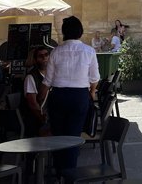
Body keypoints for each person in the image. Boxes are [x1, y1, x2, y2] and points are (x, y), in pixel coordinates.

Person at [39, 16, 99, 174]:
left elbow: (47, 81)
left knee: (58, 135)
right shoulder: (89, 51)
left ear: (64, 33)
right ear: (80, 32)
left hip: (58, 96)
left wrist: (40, 100)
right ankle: (69, 173)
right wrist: (91, 93)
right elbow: (94, 78)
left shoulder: (56, 52)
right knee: (73, 136)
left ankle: (59, 170)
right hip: (79, 96)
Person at [22, 46, 50, 137]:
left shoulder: (53, 74)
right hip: (37, 118)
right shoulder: (31, 77)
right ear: (35, 59)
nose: (44, 58)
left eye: (46, 55)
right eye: (40, 56)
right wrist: (43, 119)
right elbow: (33, 104)